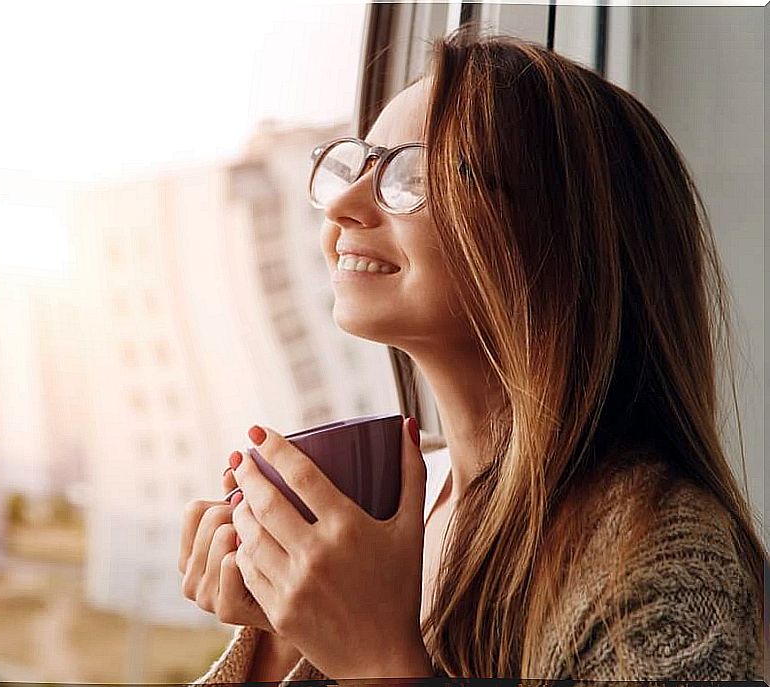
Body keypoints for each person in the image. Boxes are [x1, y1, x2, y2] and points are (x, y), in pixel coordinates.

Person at [179, 23, 767, 682]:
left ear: (563, 242)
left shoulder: (666, 554)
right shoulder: (392, 497)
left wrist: (380, 663)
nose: (342, 204)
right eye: (354, 163)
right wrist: (286, 637)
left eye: (413, 174)